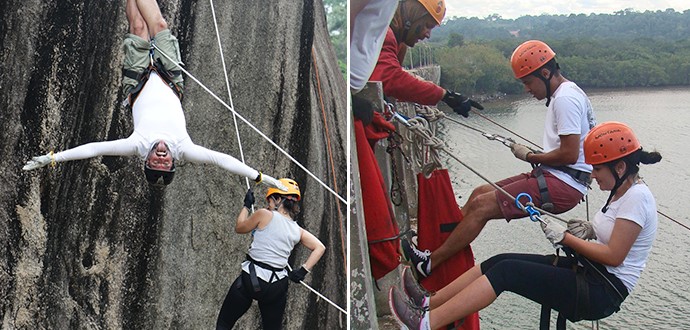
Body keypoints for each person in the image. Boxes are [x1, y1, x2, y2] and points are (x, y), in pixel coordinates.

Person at [390, 121, 661, 329]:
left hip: (602, 291)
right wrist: (589, 228)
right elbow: (615, 235)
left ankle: (425, 323)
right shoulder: (621, 192)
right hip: (592, 276)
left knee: (508, 272)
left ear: (620, 168)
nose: (593, 176)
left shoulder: (637, 198)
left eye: (598, 169)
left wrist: (565, 238)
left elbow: (615, 256)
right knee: (500, 261)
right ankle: (427, 303)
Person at [21, 0, 286, 192]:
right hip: (171, 78)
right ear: (172, 163)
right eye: (165, 162)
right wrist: (262, 178)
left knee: (137, 26)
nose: (161, 157)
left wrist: (53, 158)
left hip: (138, 79)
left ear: (146, 160)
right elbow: (224, 161)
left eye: (156, 161)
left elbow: (93, 149)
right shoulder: (185, 148)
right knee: (158, 23)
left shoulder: (136, 144)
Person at [402, 40, 596, 278]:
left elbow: (569, 153)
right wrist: (536, 156)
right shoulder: (566, 94)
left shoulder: (565, 99)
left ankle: (430, 263)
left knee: (481, 206)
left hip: (563, 183)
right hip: (557, 177)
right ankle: (437, 249)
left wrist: (530, 155)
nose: (527, 88)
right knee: (479, 193)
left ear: (545, 73)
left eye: (528, 82)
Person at [216, 178, 326, 329]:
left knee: (224, 324)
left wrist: (246, 206)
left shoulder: (264, 215)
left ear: (278, 199)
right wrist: (302, 270)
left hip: (251, 278)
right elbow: (320, 247)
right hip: (277, 286)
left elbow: (239, 227)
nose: (268, 205)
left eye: (270, 201)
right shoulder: (297, 230)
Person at [366, 0, 483, 118]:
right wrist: (444, 95)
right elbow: (391, 79)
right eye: (427, 25)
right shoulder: (384, 34)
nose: (428, 35)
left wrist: (446, 96)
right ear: (413, 13)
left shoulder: (396, 41)